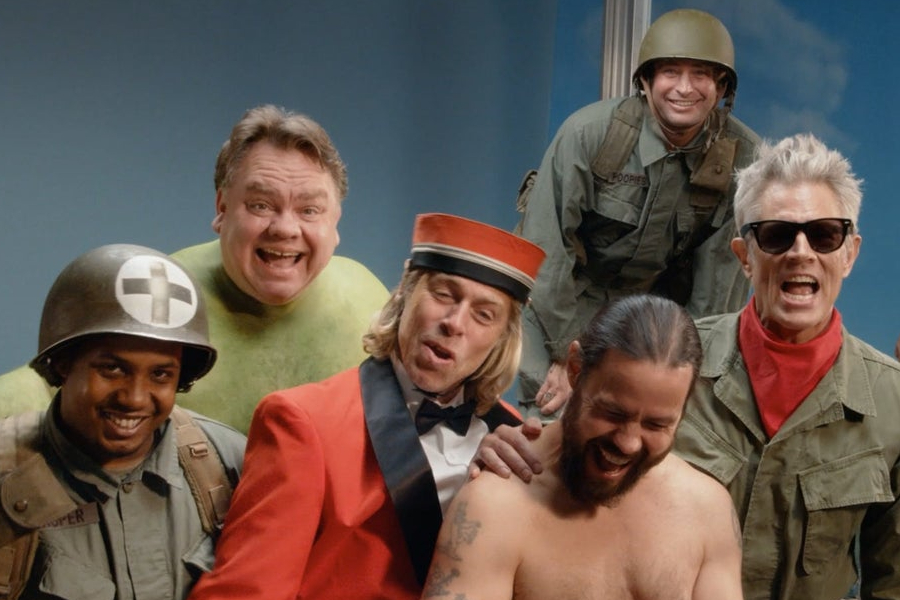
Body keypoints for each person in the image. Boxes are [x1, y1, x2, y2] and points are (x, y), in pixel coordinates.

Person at [482, 134, 900, 600]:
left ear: (849, 253)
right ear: (744, 257)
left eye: (823, 235)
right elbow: (569, 460)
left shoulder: (894, 403)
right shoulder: (666, 359)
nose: (801, 252)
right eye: (777, 235)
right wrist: (506, 448)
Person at [187, 213, 546, 600]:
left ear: (501, 340)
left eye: (483, 315)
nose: (455, 323)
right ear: (406, 293)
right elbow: (245, 592)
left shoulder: (514, 438)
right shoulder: (301, 422)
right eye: (444, 294)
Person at [0, 105, 389, 431]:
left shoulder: (366, 296)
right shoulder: (163, 290)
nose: (285, 229)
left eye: (309, 210)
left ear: (335, 221)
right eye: (261, 205)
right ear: (222, 209)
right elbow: (51, 387)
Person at [516, 8, 760, 420]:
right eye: (670, 72)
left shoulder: (743, 159)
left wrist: (682, 374)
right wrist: (565, 355)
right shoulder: (589, 134)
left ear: (721, 87)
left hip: (654, 317)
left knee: (655, 428)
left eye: (701, 74)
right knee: (557, 421)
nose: (684, 88)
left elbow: (717, 290)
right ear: (645, 82)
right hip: (560, 301)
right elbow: (545, 250)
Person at [422, 294, 743, 600]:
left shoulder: (708, 510)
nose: (628, 443)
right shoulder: (494, 506)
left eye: (656, 425)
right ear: (575, 369)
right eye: (612, 413)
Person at [0, 244, 246, 600]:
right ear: (63, 363)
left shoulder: (229, 463)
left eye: (161, 374)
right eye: (112, 369)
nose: (134, 398)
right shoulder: (6, 473)